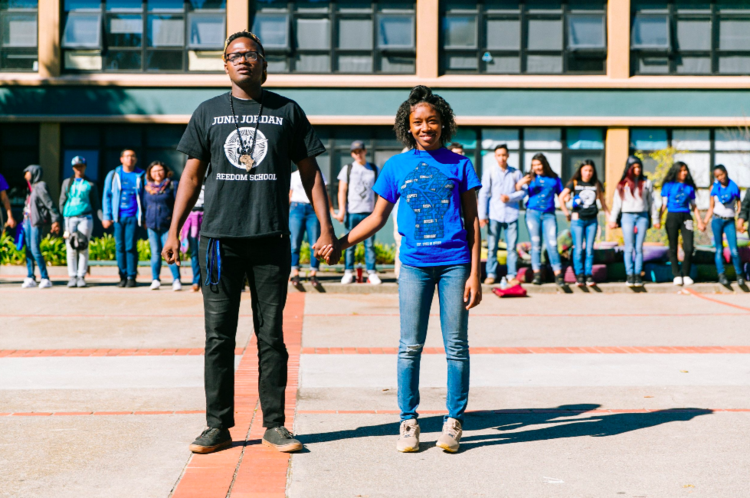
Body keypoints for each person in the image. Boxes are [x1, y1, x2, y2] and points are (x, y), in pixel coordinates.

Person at [162, 30, 339, 454]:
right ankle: (217, 425)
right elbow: (190, 175)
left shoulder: (287, 111)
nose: (242, 60)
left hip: (271, 239)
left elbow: (310, 173)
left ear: (263, 63)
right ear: (225, 65)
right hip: (219, 242)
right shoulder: (207, 112)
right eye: (234, 55)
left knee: (271, 336)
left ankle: (275, 424)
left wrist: (326, 227)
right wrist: (173, 229)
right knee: (218, 337)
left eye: (250, 54)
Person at [320, 86, 482, 454]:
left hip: (455, 264)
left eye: (433, 121)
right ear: (408, 127)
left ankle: (453, 421)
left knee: (456, 346)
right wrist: (340, 243)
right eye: (418, 122)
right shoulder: (395, 167)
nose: (426, 127)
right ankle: (408, 420)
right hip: (414, 267)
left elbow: (473, 223)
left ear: (444, 124)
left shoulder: (460, 164)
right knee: (410, 345)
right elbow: (377, 218)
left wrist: (475, 274)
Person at [516, 153, 569, 286]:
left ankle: (558, 274)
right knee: (536, 244)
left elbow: (561, 194)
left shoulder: (554, 178)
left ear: (544, 164)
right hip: (532, 213)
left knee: (552, 244)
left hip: (549, 214)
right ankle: (537, 274)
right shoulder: (529, 178)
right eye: (534, 165)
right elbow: (518, 191)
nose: (537, 167)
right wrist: (520, 183)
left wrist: (568, 199)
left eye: (539, 164)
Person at [608, 156, 661, 287]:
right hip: (627, 216)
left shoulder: (646, 183)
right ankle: (629, 274)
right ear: (629, 168)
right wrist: (612, 220)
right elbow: (617, 204)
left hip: (642, 216)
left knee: (639, 247)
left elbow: (652, 202)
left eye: (639, 167)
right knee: (629, 246)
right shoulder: (622, 184)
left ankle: (638, 275)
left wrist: (655, 219)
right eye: (635, 167)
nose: (638, 169)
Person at [478, 144, 524, 285]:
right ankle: (491, 274)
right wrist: (482, 215)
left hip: (511, 214)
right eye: (499, 155)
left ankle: (511, 275)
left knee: (511, 247)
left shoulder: (516, 173)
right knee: (492, 247)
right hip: (494, 214)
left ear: (508, 155)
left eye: (504, 155)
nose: (502, 158)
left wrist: (510, 197)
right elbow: (484, 193)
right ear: (495, 156)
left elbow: (523, 192)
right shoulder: (490, 172)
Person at [335, 140, 381, 285]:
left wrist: (379, 210)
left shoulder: (373, 168)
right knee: (349, 244)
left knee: (369, 244)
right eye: (355, 152)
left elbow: (380, 191)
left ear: (365, 151)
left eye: (360, 151)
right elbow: (342, 190)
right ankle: (348, 271)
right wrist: (342, 210)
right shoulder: (348, 169)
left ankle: (371, 273)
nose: (358, 154)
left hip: (369, 212)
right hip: (352, 212)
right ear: (352, 154)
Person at [560, 160, 609, 287]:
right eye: (585, 170)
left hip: (592, 220)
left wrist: (610, 218)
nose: (588, 173)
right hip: (578, 221)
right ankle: (579, 276)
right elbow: (562, 197)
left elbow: (603, 203)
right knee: (578, 249)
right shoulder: (574, 183)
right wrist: (567, 213)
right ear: (581, 170)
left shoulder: (596, 184)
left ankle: (588, 275)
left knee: (589, 249)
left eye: (590, 171)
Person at [102, 149, 145, 288]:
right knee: (120, 247)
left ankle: (132, 276)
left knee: (130, 246)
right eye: (127, 156)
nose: (130, 159)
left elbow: (145, 197)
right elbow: (107, 196)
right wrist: (107, 216)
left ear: (136, 159)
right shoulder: (114, 174)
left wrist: (143, 217)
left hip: (133, 217)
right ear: (121, 159)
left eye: (133, 156)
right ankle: (122, 276)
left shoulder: (141, 175)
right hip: (118, 217)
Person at [659, 161, 705, 286]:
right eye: (681, 171)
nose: (684, 173)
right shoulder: (668, 186)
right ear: (676, 172)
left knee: (689, 247)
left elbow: (694, 206)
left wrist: (700, 221)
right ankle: (676, 274)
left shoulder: (689, 187)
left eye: (685, 170)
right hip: (672, 216)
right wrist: (658, 218)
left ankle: (686, 274)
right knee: (673, 247)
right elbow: (663, 205)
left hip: (686, 216)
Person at [59, 156, 101, 288]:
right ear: (73, 168)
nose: (79, 169)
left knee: (83, 246)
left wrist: (102, 217)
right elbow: (62, 200)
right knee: (70, 247)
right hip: (70, 218)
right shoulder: (67, 182)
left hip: (85, 217)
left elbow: (96, 203)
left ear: (85, 167)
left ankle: (81, 275)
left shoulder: (90, 184)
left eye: (81, 166)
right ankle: (72, 275)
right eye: (76, 167)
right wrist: (61, 217)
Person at [289, 169, 333, 287]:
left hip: (313, 209)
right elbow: (290, 194)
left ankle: (313, 273)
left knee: (314, 243)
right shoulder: (293, 176)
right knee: (294, 243)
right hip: (296, 207)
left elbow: (324, 194)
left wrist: (331, 211)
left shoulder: (318, 173)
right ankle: (295, 273)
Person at [143, 161, 181, 291]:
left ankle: (176, 279)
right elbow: (143, 204)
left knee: (170, 253)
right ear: (149, 173)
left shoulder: (172, 185)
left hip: (167, 225)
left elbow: (177, 204)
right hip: (152, 224)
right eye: (154, 171)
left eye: (160, 170)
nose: (157, 173)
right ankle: (155, 279)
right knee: (155, 253)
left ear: (165, 171)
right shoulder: (146, 187)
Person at [21, 165, 61, 288]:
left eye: (27, 172)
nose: (25, 175)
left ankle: (45, 277)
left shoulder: (40, 186)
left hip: (36, 222)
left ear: (34, 173)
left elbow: (50, 204)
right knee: (28, 249)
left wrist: (55, 220)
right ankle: (30, 276)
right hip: (27, 221)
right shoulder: (31, 188)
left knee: (34, 249)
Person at [704, 165, 744, 286]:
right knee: (719, 249)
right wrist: (704, 222)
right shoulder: (714, 188)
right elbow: (711, 207)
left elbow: (739, 206)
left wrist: (740, 221)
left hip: (729, 221)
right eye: (717, 176)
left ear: (725, 172)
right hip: (717, 220)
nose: (720, 177)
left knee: (734, 250)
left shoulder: (734, 187)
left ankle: (739, 275)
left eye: (721, 174)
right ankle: (721, 275)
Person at [181, 185, 204, 292]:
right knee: (195, 254)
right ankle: (196, 281)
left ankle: (207, 282)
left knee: (207, 254)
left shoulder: (212, 180)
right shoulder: (190, 183)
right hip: (191, 221)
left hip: (207, 219)